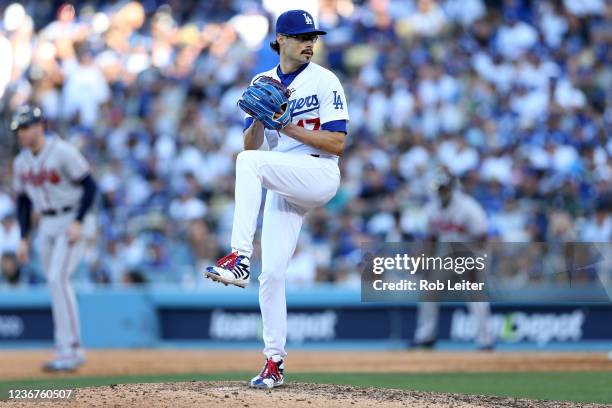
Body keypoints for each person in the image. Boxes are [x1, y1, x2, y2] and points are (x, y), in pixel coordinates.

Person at [203, 9, 349, 389]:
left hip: (318, 172)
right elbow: (252, 145)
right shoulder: (262, 80)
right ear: (280, 40)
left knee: (248, 165)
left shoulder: (324, 80)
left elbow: (338, 142)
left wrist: (285, 124)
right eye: (302, 37)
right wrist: (256, 119)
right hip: (284, 175)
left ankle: (238, 257)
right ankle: (274, 363)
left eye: (312, 37)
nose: (309, 44)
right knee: (272, 275)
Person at [12, 105, 97, 372]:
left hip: (72, 218)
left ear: (40, 126)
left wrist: (78, 221)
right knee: (55, 283)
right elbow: (24, 202)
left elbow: (90, 185)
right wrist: (24, 237)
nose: (22, 134)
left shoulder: (62, 150)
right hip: (47, 224)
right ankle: (64, 346)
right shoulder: (20, 162)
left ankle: (71, 349)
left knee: (57, 278)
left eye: (26, 127)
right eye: (18, 130)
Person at [412, 171, 494, 350]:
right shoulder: (432, 208)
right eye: (438, 188)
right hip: (448, 253)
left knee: (475, 294)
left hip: (473, 251)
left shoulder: (468, 207)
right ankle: (425, 337)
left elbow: (482, 237)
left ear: (451, 188)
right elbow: (431, 238)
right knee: (429, 290)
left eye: (443, 188)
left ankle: (485, 340)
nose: (440, 191)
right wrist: (426, 261)